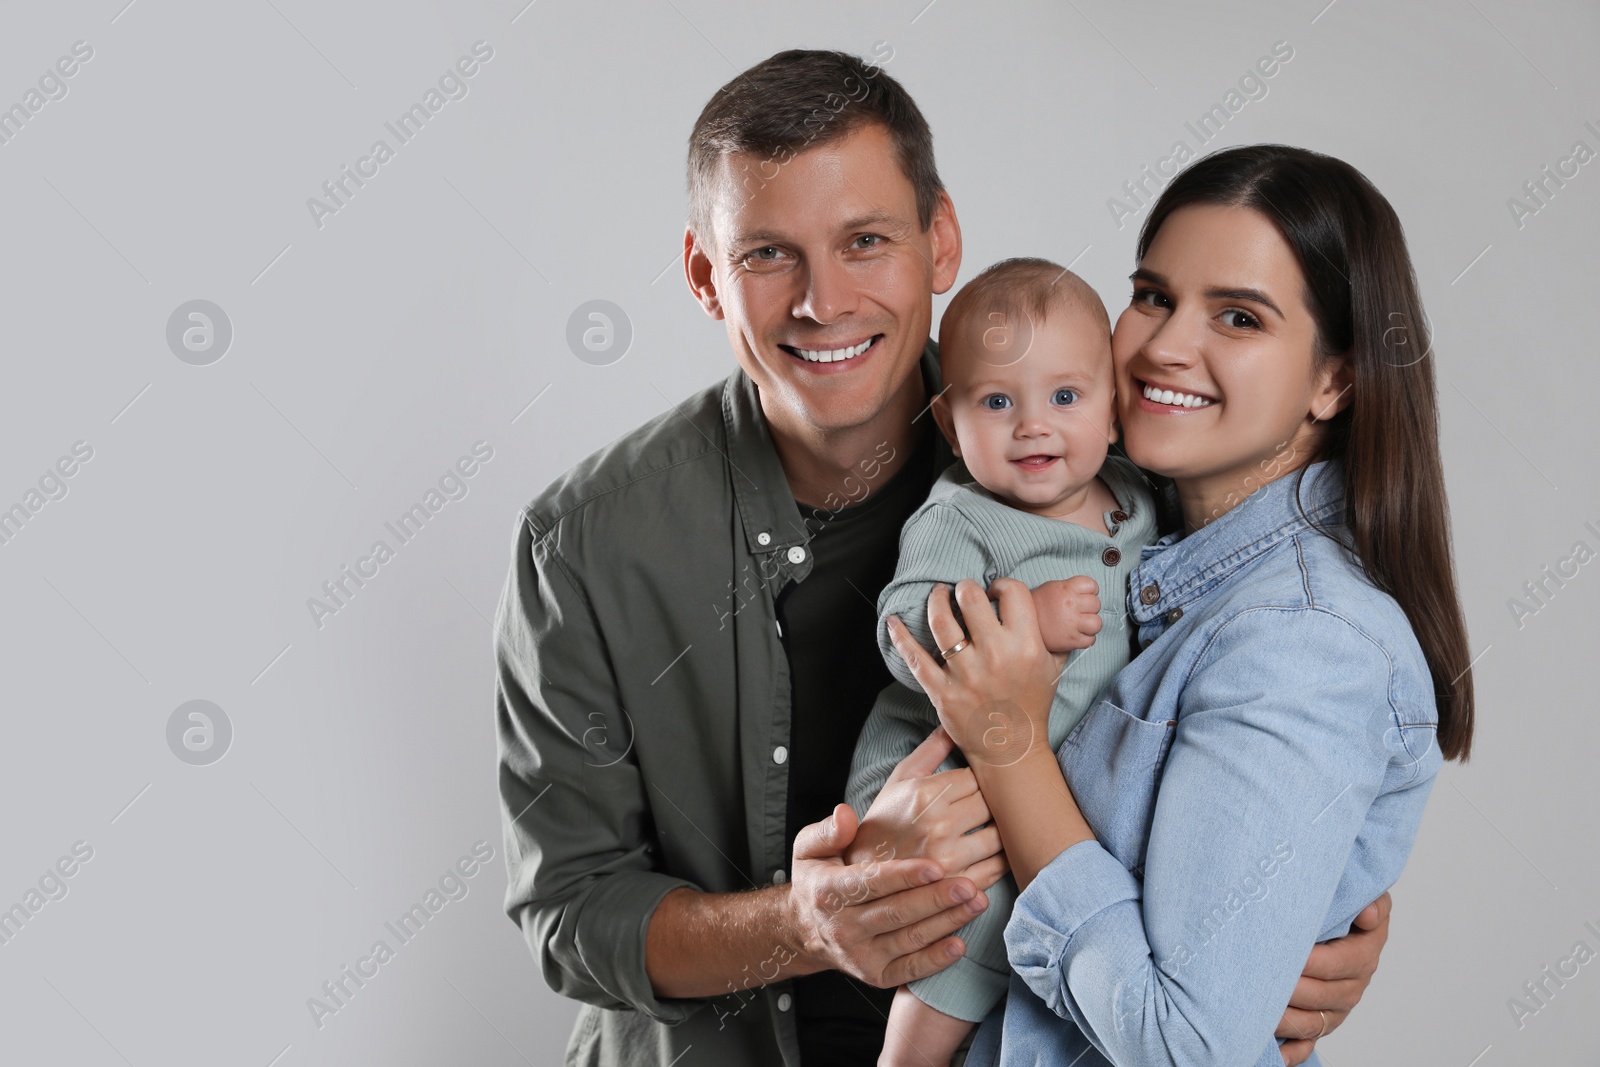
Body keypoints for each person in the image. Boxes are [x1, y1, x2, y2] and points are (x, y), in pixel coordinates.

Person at [494, 49, 1390, 1067]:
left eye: (865, 241)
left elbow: (1247, 734)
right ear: (703, 275)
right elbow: (571, 908)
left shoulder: (1101, 462)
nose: (822, 301)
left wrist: (1306, 903)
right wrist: (811, 919)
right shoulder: (585, 542)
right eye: (765, 255)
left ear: (941, 239)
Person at [884, 144, 1474, 1066]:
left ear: (1336, 379)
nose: (1163, 345)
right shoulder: (1132, 541)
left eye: (1238, 316)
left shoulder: (1302, 641)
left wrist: (1009, 742)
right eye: (1153, 295)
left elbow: (1183, 1047)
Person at [845, 258, 1156, 1066]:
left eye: (1065, 396)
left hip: (1044, 783)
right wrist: (1026, 620)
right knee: (980, 907)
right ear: (951, 425)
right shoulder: (964, 515)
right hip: (945, 780)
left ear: (1114, 409)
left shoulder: (1139, 498)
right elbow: (900, 628)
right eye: (996, 402)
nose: (1033, 425)